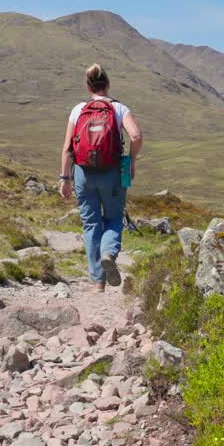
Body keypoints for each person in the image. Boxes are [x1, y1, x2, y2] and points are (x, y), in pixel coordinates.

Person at [59, 64, 143, 291]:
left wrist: (64, 178)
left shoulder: (78, 110)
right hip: (113, 172)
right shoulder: (119, 109)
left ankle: (97, 282)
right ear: (108, 85)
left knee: (91, 224)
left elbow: (67, 148)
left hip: (83, 175)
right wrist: (131, 161)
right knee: (114, 218)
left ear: (88, 86)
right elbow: (135, 135)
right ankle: (108, 253)